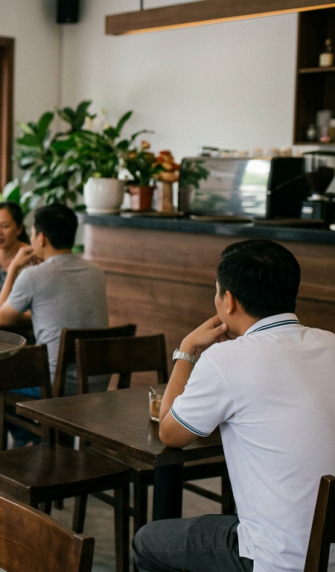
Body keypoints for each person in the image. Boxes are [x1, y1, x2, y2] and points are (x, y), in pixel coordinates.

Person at [133, 239, 335, 572]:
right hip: (327, 550)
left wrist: (187, 350)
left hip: (277, 559)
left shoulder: (226, 359)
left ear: (228, 300)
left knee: (149, 540)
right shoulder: (330, 342)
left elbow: (170, 432)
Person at [0, 203, 109, 397]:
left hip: (54, 387)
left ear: (41, 238)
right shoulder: (96, 272)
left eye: (32, 234)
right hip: (97, 383)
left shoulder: (33, 276)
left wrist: (14, 266)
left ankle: (31, 428)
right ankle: (38, 427)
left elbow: (3, 318)